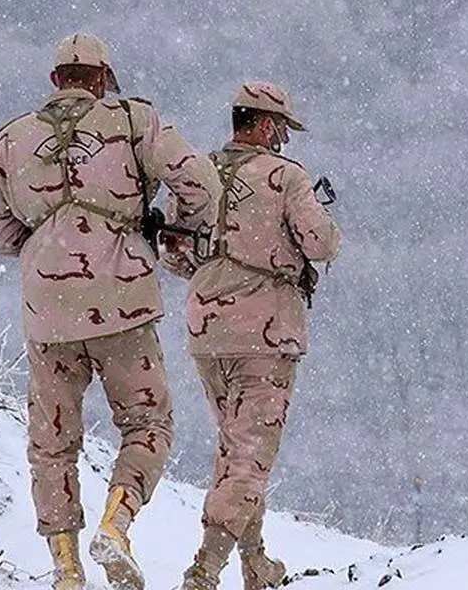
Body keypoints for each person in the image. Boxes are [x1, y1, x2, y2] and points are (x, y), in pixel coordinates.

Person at [0, 33, 222, 590]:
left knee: (52, 440)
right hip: (125, 303)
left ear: (54, 81)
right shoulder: (135, 121)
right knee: (148, 423)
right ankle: (116, 524)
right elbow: (201, 182)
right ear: (103, 78)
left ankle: (66, 568)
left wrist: (48, 244)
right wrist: (174, 228)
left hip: (48, 312)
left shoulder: (11, 139)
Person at [166, 82, 341, 590]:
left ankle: (256, 563)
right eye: (282, 127)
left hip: (207, 333)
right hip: (266, 333)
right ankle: (204, 571)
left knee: (235, 446)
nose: (285, 137)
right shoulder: (287, 178)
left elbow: (175, 255)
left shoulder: (195, 175)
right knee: (249, 455)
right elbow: (322, 243)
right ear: (265, 124)